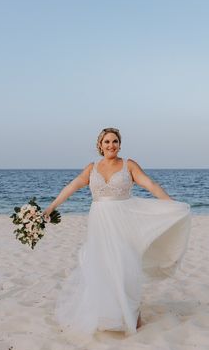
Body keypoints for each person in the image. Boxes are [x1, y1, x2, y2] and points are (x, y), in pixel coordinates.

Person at [43, 127, 191, 335]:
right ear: (100, 145)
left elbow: (150, 184)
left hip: (123, 221)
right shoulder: (91, 168)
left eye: (114, 141)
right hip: (99, 222)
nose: (111, 145)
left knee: (124, 266)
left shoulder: (128, 165)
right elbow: (72, 187)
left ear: (120, 144)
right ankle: (106, 314)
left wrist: (170, 204)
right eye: (107, 142)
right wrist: (51, 207)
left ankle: (134, 314)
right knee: (102, 266)